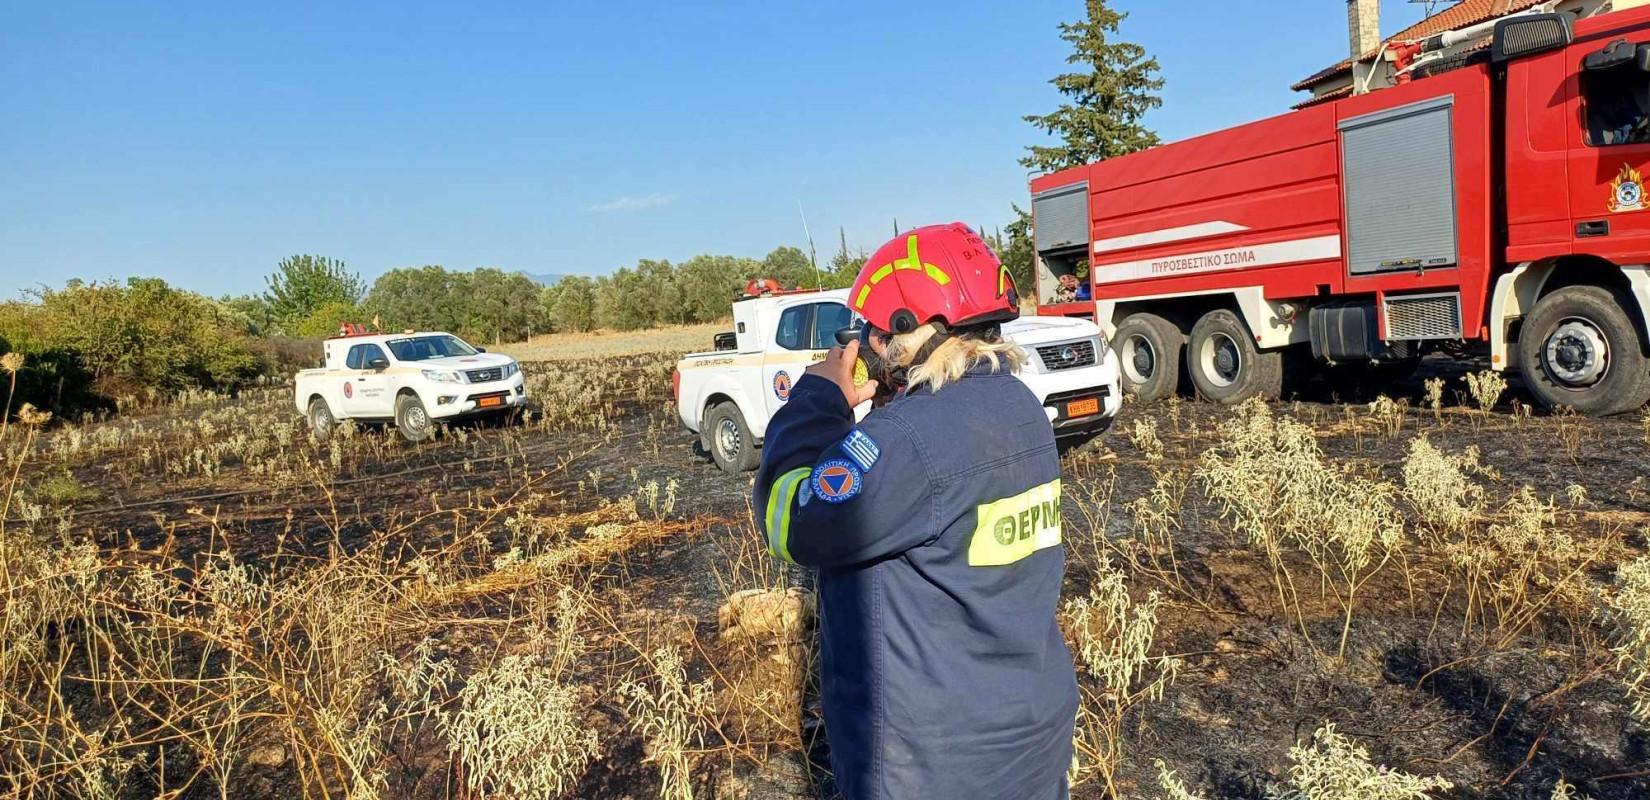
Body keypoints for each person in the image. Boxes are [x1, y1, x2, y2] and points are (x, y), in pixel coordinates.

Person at [753, 223, 1078, 800]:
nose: (868, 345)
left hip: (934, 768)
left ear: (909, 330)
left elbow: (790, 520)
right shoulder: (1019, 407)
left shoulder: (907, 440)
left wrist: (817, 398)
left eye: (875, 332)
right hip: (1030, 744)